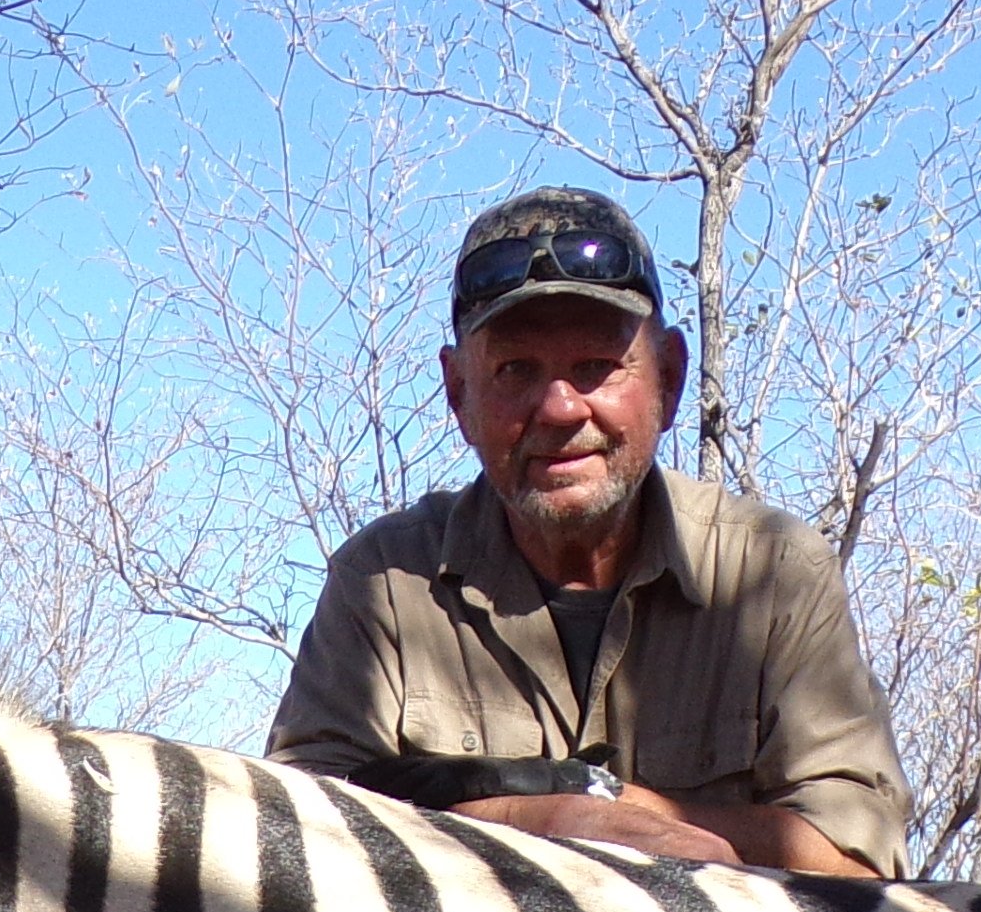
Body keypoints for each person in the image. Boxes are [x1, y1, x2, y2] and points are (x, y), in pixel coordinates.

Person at [268, 187, 912, 876]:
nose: (559, 406)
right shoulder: (384, 582)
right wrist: (544, 817)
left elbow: (856, 857)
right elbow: (299, 828)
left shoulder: (774, 572)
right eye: (516, 370)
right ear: (458, 395)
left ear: (668, 377)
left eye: (597, 367)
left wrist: (620, 807)